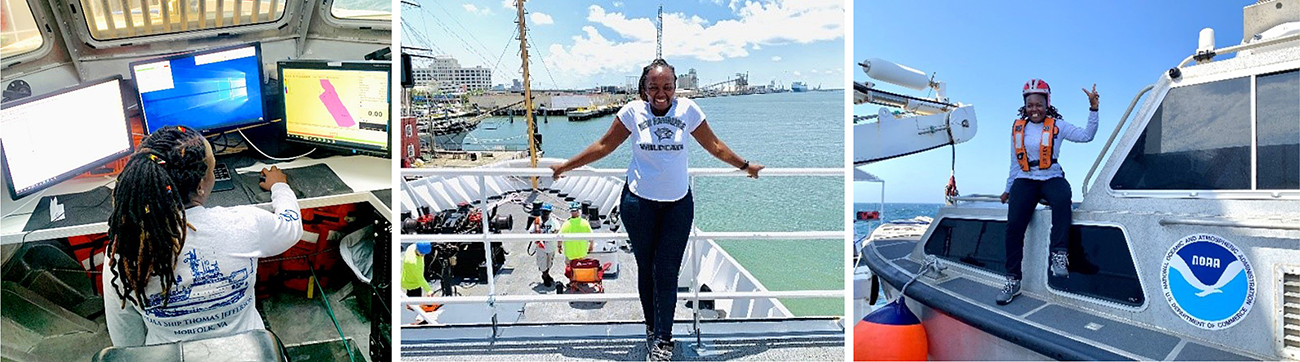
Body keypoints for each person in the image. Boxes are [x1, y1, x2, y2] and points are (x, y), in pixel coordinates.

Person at [549, 58, 764, 361]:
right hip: (639, 204)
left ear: (675, 87)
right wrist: (565, 167)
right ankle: (653, 330)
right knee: (647, 270)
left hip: (678, 205)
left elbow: (713, 145)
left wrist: (745, 166)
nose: (660, 93)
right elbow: (603, 146)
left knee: (666, 271)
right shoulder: (631, 112)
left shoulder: (688, 111)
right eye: (654, 87)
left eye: (667, 87)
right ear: (644, 89)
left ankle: (664, 338)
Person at [103, 125, 301, 346]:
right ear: (200, 185)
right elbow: (291, 227)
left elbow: (126, 341)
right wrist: (280, 187)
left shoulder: (125, 249)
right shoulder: (243, 224)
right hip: (246, 352)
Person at [996, 79, 1101, 305]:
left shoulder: (1058, 126)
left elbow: (1087, 136)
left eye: (1039, 104)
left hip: (1051, 176)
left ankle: (1060, 254)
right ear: (1025, 106)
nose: (1035, 109)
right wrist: (1008, 190)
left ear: (1047, 104)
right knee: (1013, 226)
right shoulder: (1017, 128)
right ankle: (1012, 279)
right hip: (1025, 179)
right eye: (1030, 105)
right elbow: (1014, 163)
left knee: (1063, 197)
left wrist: (1093, 109)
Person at [401, 241, 436, 325]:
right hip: (413, 284)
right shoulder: (414, 263)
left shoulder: (411, 247)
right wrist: (429, 290)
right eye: (422, 254)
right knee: (415, 303)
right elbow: (420, 279)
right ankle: (417, 320)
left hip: (405, 279)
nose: (423, 255)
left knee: (410, 299)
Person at [530, 204, 561, 287]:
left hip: (551, 245)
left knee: (549, 263)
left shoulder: (554, 221)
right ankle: (545, 277)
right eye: (543, 211)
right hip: (541, 247)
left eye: (547, 212)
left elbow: (558, 231)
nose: (545, 213)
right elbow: (531, 231)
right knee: (542, 263)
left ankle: (547, 274)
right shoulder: (537, 221)